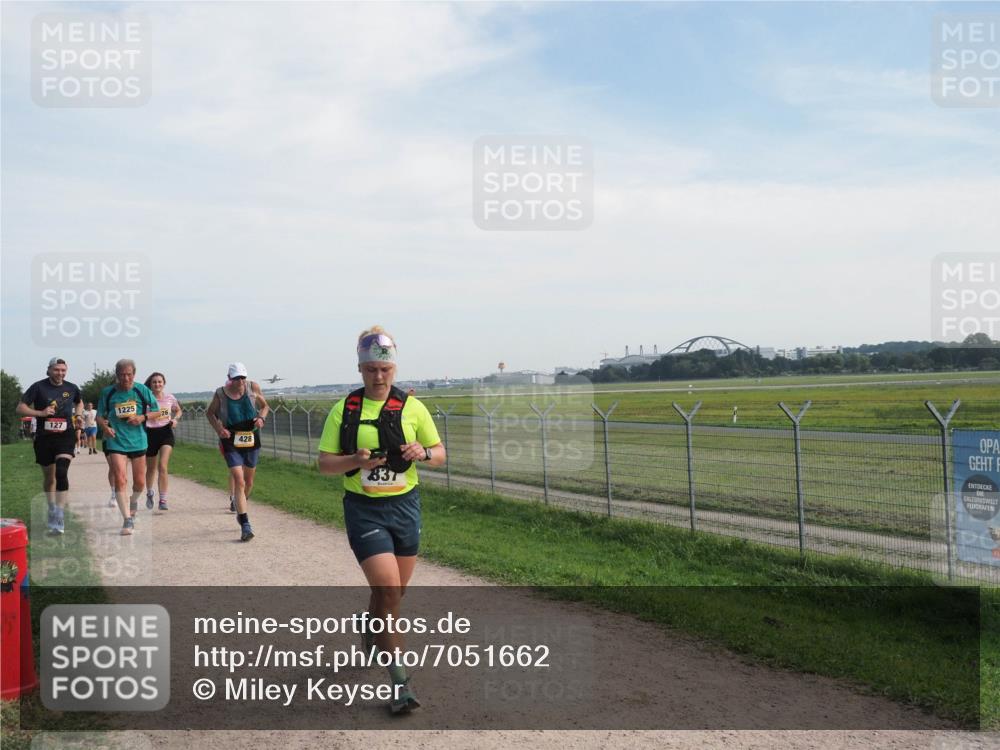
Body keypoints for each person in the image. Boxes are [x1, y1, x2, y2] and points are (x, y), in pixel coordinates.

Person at [317, 326, 445, 715]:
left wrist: (422, 452)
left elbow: (440, 453)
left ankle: (368, 622)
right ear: (360, 368)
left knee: (393, 597)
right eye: (370, 369)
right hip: (364, 510)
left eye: (384, 370)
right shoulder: (345, 409)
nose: (378, 376)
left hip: (406, 507)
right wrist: (355, 461)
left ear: (394, 369)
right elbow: (324, 464)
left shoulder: (412, 407)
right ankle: (400, 683)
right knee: (389, 591)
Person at [16, 357, 83, 535]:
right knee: (50, 477)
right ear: (49, 370)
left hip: (65, 436)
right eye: (56, 370)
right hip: (44, 438)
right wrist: (40, 412)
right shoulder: (38, 387)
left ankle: (59, 515)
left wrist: (78, 415)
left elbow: (79, 402)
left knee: (61, 471)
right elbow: (20, 408)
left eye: (63, 370)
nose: (60, 373)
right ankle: (52, 508)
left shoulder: (72, 388)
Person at [206, 363, 270, 542]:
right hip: (230, 439)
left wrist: (261, 417)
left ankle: (242, 506)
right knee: (239, 480)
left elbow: (265, 406)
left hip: (251, 437)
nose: (240, 381)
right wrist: (219, 429)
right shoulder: (220, 394)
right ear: (229, 378)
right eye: (236, 378)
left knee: (249, 481)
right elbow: (210, 413)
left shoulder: (253, 387)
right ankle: (245, 524)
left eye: (242, 377)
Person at [97, 359, 159, 536]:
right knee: (121, 478)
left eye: (129, 374)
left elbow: (157, 411)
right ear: (116, 375)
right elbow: (100, 416)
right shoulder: (108, 392)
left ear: (134, 374)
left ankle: (133, 500)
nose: (125, 378)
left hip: (138, 441)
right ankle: (127, 519)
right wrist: (104, 427)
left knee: (140, 482)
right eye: (122, 374)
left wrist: (142, 417)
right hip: (116, 441)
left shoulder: (141, 390)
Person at [143, 372, 182, 511]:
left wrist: (175, 419)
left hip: (166, 432)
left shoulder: (170, 397)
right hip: (150, 434)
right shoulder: (146, 399)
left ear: (164, 383)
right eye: (154, 382)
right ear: (151, 384)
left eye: (160, 382)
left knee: (163, 466)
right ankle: (149, 492)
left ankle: (163, 499)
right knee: (151, 468)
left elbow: (178, 410)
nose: (157, 384)